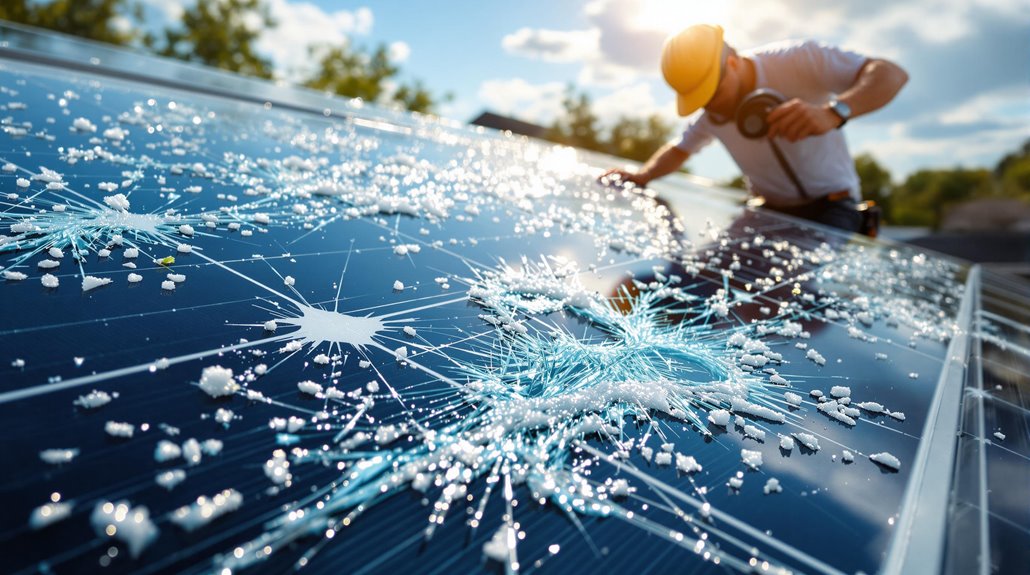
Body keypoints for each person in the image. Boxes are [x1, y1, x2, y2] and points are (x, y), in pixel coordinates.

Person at [601, 24, 908, 233]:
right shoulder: (714, 110)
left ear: (733, 63)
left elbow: (891, 74)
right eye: (700, 100)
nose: (710, 106)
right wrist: (643, 175)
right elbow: (681, 148)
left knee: (799, 296)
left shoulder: (798, 59)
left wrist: (834, 111)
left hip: (835, 209)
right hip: (766, 211)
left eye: (712, 93)